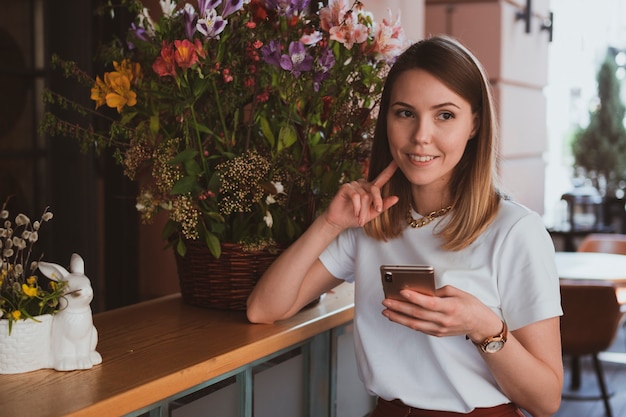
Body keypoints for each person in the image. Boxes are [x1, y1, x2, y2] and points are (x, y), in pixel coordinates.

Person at [247, 35, 563, 417]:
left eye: (444, 115)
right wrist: (329, 223)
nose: (420, 136)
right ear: (388, 120)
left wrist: (484, 327)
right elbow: (263, 309)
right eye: (405, 113)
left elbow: (546, 401)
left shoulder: (516, 232)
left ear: (475, 123)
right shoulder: (369, 223)